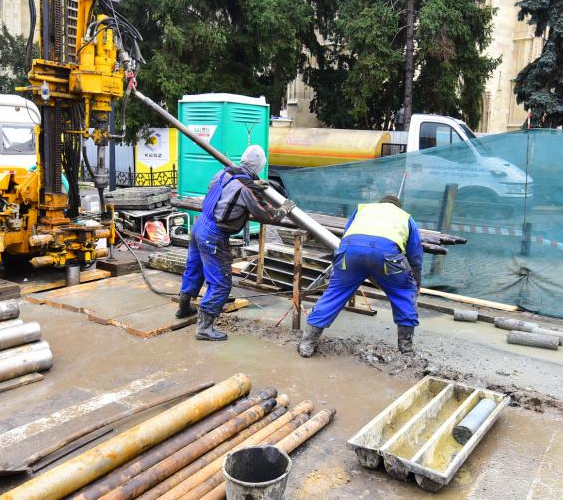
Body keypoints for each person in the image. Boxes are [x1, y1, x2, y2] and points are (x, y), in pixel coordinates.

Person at [177, 145, 295, 341]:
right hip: (214, 233)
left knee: (194, 269)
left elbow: (222, 191)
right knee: (221, 282)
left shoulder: (224, 172)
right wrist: (284, 209)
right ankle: (204, 328)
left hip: (200, 224)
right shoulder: (247, 188)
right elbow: (266, 215)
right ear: (259, 166)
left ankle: (183, 308)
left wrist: (256, 184)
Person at [298, 195, 422, 357]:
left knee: (335, 294)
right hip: (386, 256)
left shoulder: (363, 209)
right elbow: (415, 256)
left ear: (380, 204)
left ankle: (307, 343)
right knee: (403, 293)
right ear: (398, 207)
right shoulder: (405, 217)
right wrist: (416, 283)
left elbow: (347, 235)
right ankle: (406, 349)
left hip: (349, 253)